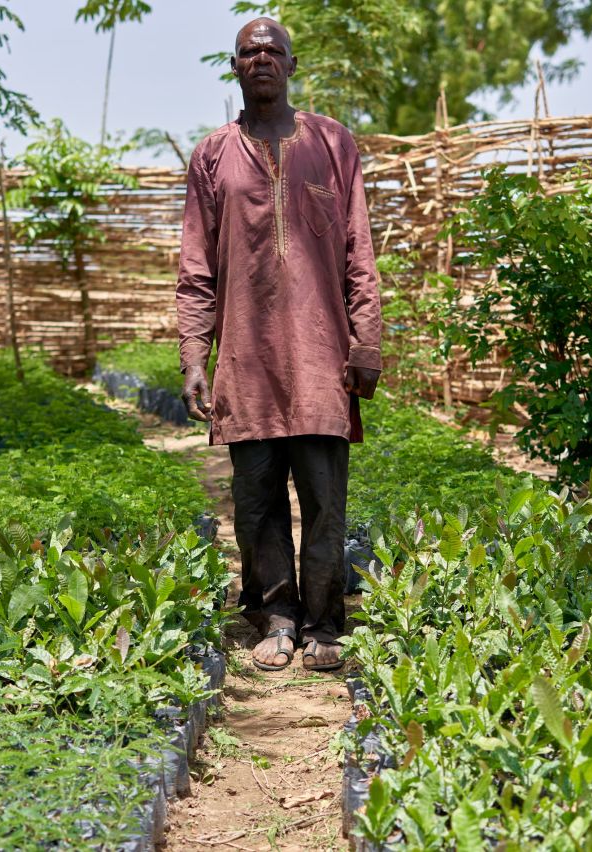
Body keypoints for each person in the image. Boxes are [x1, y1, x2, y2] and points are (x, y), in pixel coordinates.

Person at [176, 17, 381, 672]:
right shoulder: (213, 155)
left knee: (325, 500)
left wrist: (366, 340)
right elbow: (196, 271)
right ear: (234, 67)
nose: (261, 58)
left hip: (323, 361)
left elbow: (359, 251)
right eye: (248, 52)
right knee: (256, 502)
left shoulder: (332, 142)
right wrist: (192, 358)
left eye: (273, 51)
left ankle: (324, 619)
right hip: (247, 359)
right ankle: (279, 615)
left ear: (292, 65)